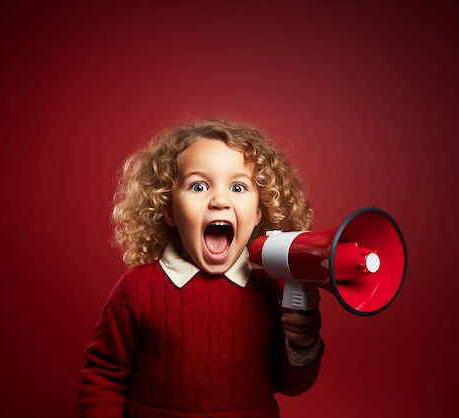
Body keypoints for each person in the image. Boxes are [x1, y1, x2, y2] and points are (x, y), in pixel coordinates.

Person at [78, 119, 324, 418]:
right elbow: (103, 377)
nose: (220, 200)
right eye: (198, 186)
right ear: (168, 208)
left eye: (238, 187)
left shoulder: (272, 287)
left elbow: (291, 385)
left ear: (259, 211)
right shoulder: (136, 290)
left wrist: (303, 345)